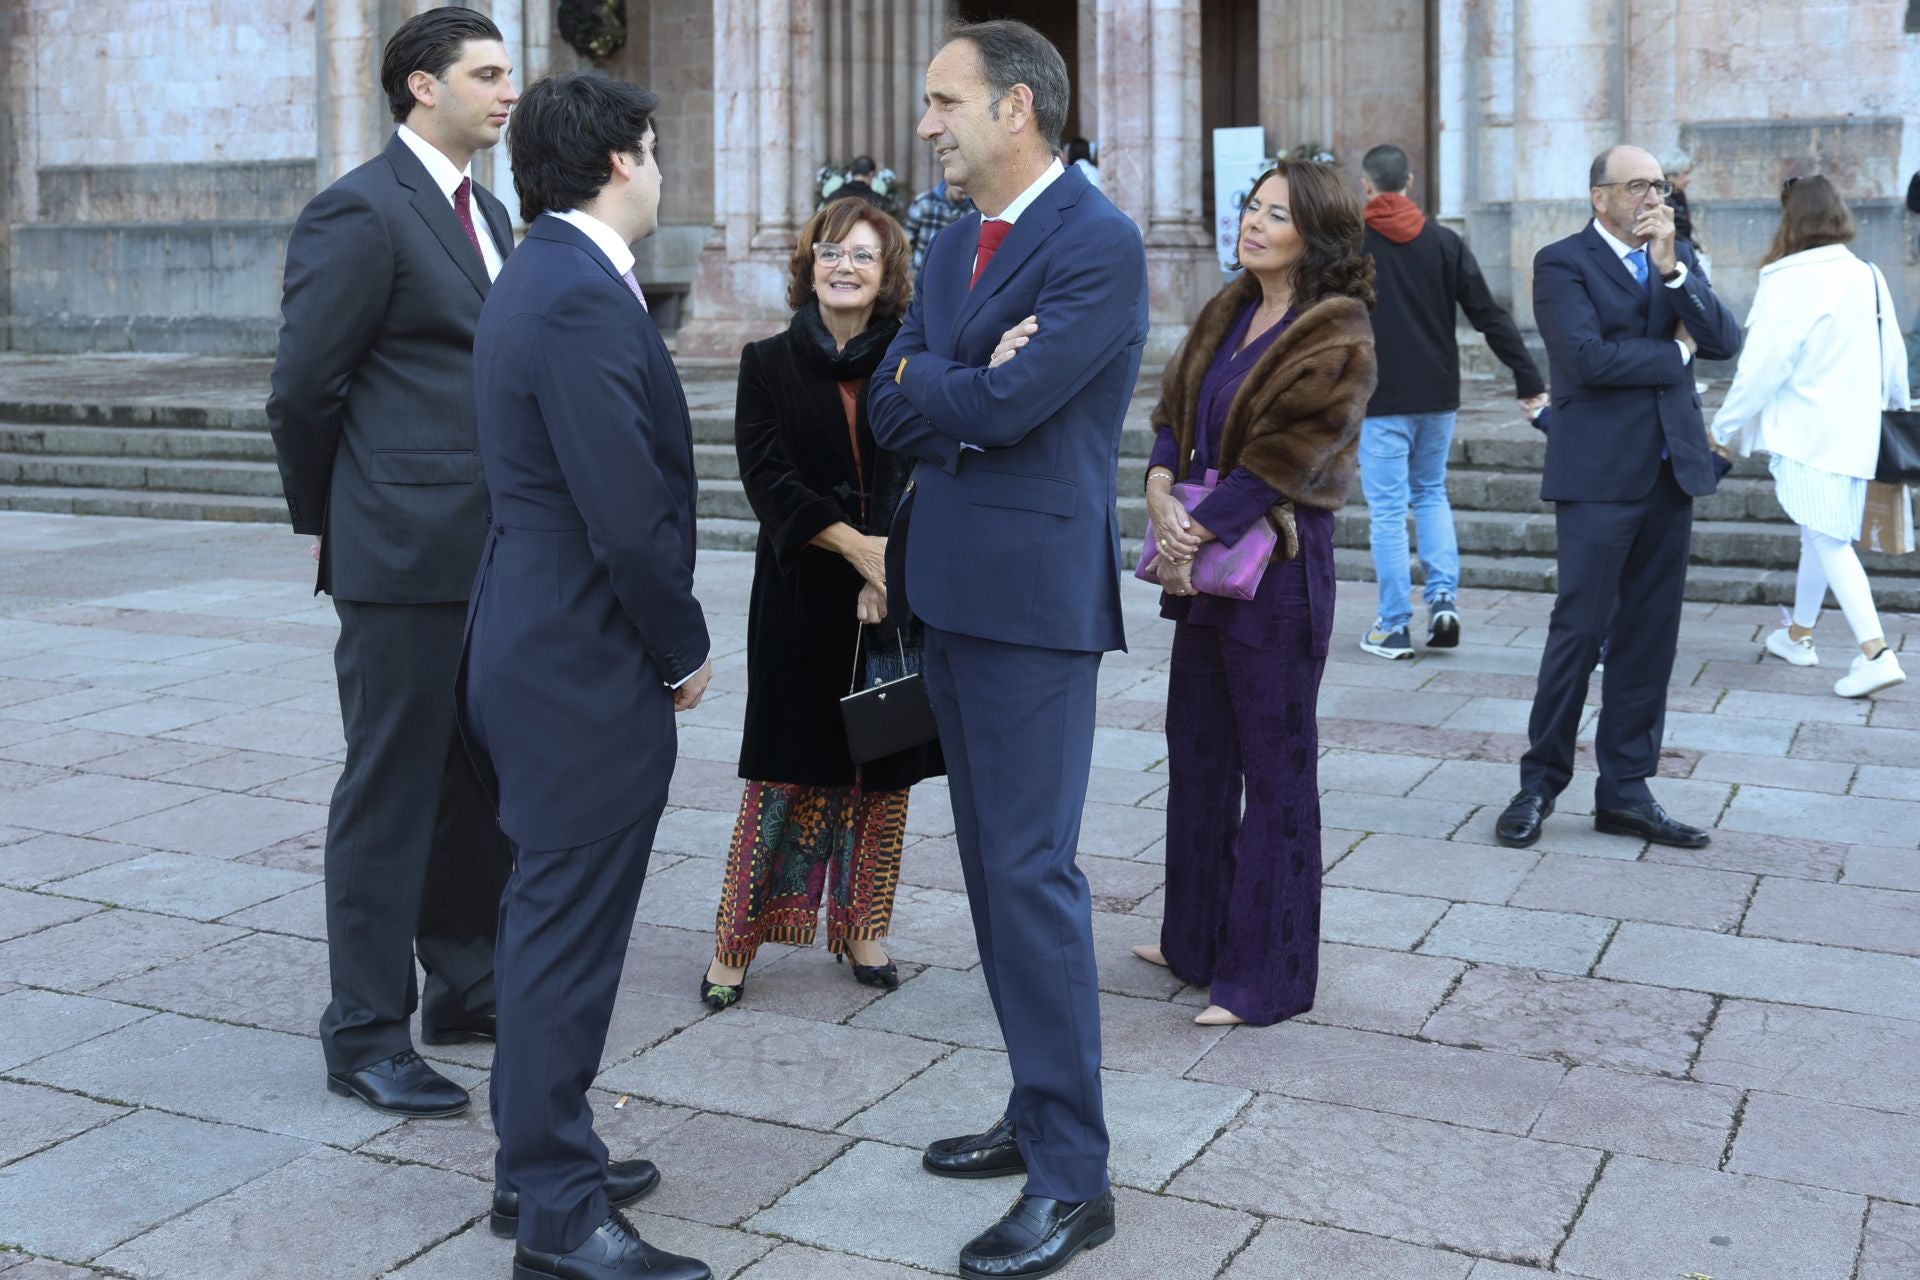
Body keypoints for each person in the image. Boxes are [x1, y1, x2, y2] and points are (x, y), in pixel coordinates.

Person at [868, 18, 1146, 1280]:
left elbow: (1015, 406)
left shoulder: (1097, 241)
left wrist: (949, 378)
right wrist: (957, 371)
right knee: (987, 874)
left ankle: (1074, 1179)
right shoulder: (953, 240)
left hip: (1033, 603)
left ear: (1017, 109)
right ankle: (1036, 1107)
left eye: (945, 102)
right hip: (953, 591)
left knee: (1030, 876)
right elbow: (890, 398)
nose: (927, 124)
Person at [459, 71, 713, 1280]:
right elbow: (626, 513)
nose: (661, 171)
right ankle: (558, 1209)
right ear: (621, 159)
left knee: (544, 916)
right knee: (566, 930)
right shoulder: (572, 295)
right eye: (655, 150)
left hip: (541, 634)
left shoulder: (551, 276)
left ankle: (534, 1154)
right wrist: (685, 644)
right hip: (577, 654)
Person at [267, 5, 515, 1120]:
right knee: (391, 791)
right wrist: (338, 517)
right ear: (422, 86)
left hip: (492, 553)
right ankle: (365, 1029)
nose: (507, 92)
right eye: (485, 73)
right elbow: (302, 392)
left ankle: (466, 984)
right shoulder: (359, 212)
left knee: (475, 787)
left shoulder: (493, 211)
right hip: (400, 553)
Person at [1131, 160, 1376, 1026]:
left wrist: (1197, 526)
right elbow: (1170, 415)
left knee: (1275, 769)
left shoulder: (1336, 330)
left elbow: (1297, 447)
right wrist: (1162, 492)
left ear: (1315, 232)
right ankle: (1192, 938)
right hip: (1205, 567)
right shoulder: (1227, 309)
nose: (1254, 222)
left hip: (1274, 575)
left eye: (1276, 213)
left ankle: (1266, 976)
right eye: (1251, 206)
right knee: (1196, 752)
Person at [698, 197, 943, 1010]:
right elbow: (767, 478)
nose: (845, 267)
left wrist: (888, 569)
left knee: (883, 769)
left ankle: (863, 928)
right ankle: (735, 942)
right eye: (832, 251)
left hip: (894, 598)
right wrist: (856, 548)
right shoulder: (766, 361)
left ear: (888, 275)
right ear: (809, 264)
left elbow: (924, 471)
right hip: (802, 594)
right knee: (781, 772)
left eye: (864, 256)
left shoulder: (911, 362)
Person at [1495, 145, 1743, 852]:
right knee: (1580, 631)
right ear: (1598, 196)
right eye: (1637, 186)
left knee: (1649, 639)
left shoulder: (1675, 255)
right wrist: (1677, 355)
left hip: (1671, 472)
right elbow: (1588, 359)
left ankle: (1626, 791)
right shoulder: (1562, 262)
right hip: (1599, 478)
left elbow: (1726, 338)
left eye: (1659, 186)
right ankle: (1539, 783)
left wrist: (1672, 269)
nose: (1651, 198)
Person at [1711, 175, 1910, 698]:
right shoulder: (1866, 274)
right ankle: (1798, 636)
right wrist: (1895, 408)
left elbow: (1761, 367)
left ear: (1790, 219)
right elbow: (1894, 357)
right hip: (1858, 432)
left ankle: (1875, 652)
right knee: (1819, 534)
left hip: (1806, 430)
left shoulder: (1789, 279)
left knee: (1827, 538)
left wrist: (1722, 428)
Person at [1355, 142, 1545, 659]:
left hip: (1380, 398)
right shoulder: (1444, 241)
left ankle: (1393, 625)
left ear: (1368, 186)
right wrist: (1528, 378)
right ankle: (1443, 601)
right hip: (1438, 394)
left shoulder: (1352, 246)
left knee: (1390, 512)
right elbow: (1488, 314)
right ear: (1409, 183)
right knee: (1431, 492)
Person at [903, 178, 974, 274]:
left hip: (953, 276)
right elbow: (906, 239)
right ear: (950, 182)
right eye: (960, 193)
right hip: (920, 273)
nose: (964, 197)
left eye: (966, 194)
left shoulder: (972, 211)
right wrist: (908, 268)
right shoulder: (923, 202)